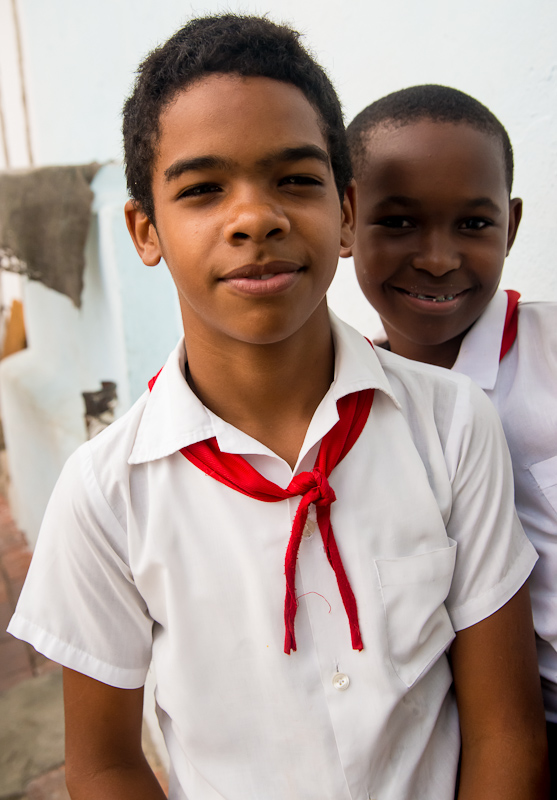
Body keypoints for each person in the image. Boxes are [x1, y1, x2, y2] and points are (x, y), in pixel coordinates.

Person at [8, 22, 548, 800]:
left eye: (295, 180)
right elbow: (105, 765)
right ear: (144, 230)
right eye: (201, 189)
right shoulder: (104, 495)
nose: (255, 218)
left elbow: (505, 730)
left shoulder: (452, 425)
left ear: (346, 211)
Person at [345, 83, 556, 794]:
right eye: (399, 223)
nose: (437, 259)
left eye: (472, 224)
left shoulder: (551, 357)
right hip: (483, 737)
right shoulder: (352, 410)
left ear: (511, 225)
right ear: (345, 221)